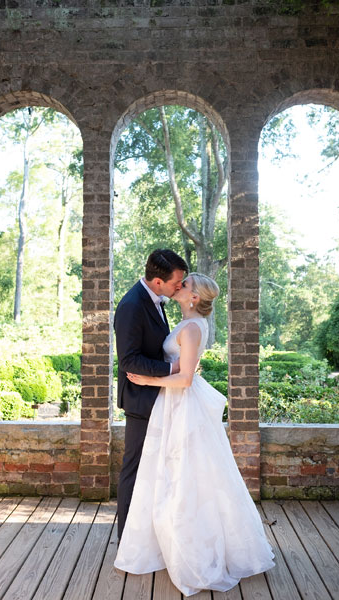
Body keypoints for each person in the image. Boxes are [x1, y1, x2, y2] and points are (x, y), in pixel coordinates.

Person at [114, 273, 275, 597]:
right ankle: (166, 542)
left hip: (181, 402)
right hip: (174, 405)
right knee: (178, 473)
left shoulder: (190, 328)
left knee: (184, 475)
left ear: (194, 297)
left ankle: (191, 551)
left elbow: (186, 379)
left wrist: (148, 382)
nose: (179, 286)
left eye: (184, 285)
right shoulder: (189, 323)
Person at [114, 248, 188, 543]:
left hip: (159, 396)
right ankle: (127, 541)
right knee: (133, 468)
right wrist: (172, 368)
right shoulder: (132, 305)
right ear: (158, 282)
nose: (179, 287)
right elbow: (129, 360)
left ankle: (149, 534)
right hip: (140, 399)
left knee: (155, 469)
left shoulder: (156, 300)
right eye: (176, 283)